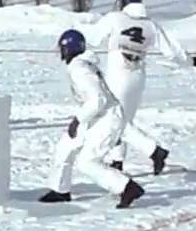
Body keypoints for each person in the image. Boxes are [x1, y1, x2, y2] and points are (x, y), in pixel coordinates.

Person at [41, 30, 144, 208]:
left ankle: (127, 187)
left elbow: (98, 99)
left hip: (104, 117)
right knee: (65, 147)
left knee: (87, 162)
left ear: (69, 49)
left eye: (62, 48)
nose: (61, 53)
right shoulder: (80, 65)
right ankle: (60, 190)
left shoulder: (80, 69)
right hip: (95, 115)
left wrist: (78, 120)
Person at [89, 0, 184, 171]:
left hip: (118, 75)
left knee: (113, 119)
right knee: (123, 118)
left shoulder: (115, 18)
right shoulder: (151, 25)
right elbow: (172, 51)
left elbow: (93, 38)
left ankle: (154, 151)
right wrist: (189, 61)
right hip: (137, 77)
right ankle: (117, 160)